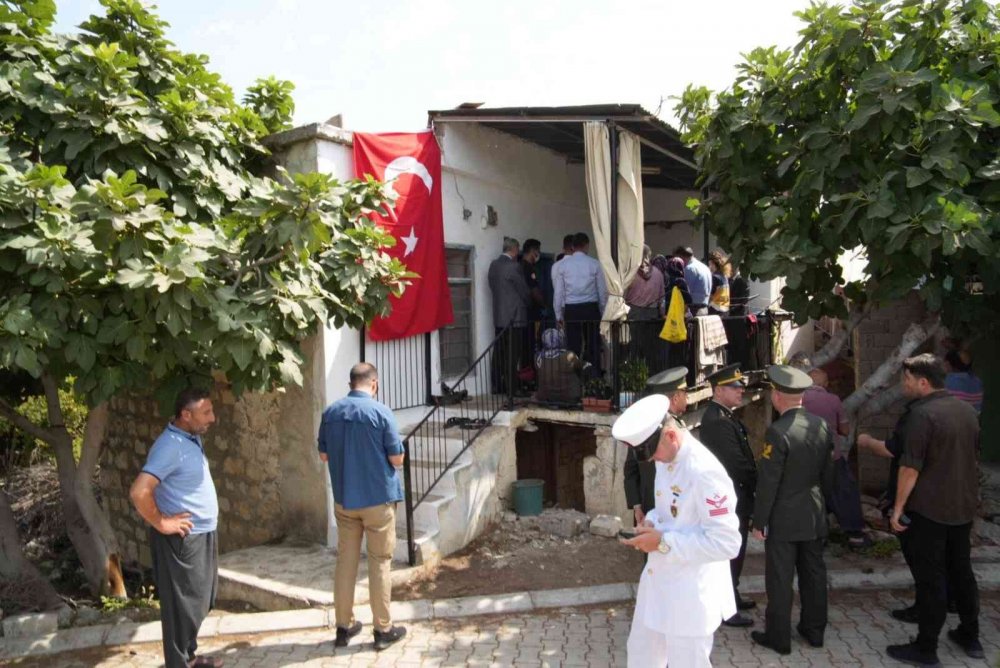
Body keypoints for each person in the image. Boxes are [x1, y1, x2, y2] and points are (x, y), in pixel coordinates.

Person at [614, 394, 741, 668]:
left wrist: (662, 543)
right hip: (659, 582)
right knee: (640, 655)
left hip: (690, 595)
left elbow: (727, 542)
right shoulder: (666, 456)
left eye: (653, 453)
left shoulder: (705, 472)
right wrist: (650, 523)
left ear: (671, 435)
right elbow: (669, 512)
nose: (652, 461)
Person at [885, 354, 983, 666]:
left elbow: (909, 468)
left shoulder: (922, 415)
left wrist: (897, 509)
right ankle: (971, 635)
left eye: (908, 380)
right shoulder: (967, 411)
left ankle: (926, 648)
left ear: (923, 382)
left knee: (932, 580)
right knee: (962, 573)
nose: (904, 385)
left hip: (929, 510)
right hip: (962, 506)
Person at [129, 388, 223, 668]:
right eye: (206, 412)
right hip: (183, 540)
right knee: (182, 606)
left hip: (201, 533)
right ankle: (178, 663)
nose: (213, 418)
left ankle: (189, 658)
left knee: (201, 600)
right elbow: (139, 491)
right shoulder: (170, 446)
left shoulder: (189, 438)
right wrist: (161, 522)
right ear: (186, 414)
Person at [318, 363, 407, 651]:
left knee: (346, 561)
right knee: (380, 562)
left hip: (345, 500)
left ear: (350, 382)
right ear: (374, 384)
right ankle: (383, 630)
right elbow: (397, 459)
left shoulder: (331, 413)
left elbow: (323, 454)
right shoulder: (381, 413)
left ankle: (343, 628)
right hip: (377, 501)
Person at [751, 365, 833, 656]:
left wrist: (759, 521)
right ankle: (814, 631)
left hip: (784, 517)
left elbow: (768, 482)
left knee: (780, 577)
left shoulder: (778, 431)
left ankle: (779, 637)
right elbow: (828, 473)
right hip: (813, 510)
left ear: (777, 395)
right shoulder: (820, 425)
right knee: (813, 573)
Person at [699, 364, 757, 627]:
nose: (740, 390)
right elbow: (735, 464)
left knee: (737, 549)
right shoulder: (717, 420)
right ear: (720, 390)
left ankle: (732, 594)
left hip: (736, 495)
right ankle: (726, 607)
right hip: (731, 496)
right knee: (730, 550)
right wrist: (758, 480)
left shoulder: (725, 415)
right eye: (735, 386)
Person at [624, 367, 689, 529]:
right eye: (684, 393)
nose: (687, 397)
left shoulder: (655, 425)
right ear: (675, 398)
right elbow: (631, 468)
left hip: (672, 506)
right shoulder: (664, 429)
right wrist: (637, 505)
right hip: (657, 506)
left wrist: (637, 505)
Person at [554, 232, 608, 372]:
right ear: (586, 246)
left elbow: (558, 293)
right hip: (590, 308)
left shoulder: (563, 266)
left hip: (571, 309)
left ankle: (574, 378)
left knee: (573, 346)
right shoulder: (594, 264)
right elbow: (602, 291)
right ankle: (594, 376)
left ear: (572, 246)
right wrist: (603, 311)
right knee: (593, 345)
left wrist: (558, 314)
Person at [488, 237, 532, 393]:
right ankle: (512, 388)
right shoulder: (514, 266)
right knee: (513, 354)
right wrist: (529, 303)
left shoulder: (493, 265)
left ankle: (496, 385)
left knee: (499, 352)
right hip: (515, 317)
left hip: (499, 316)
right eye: (517, 249)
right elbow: (524, 290)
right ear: (514, 249)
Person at [624, 245, 666, 369]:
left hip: (633, 313)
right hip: (652, 315)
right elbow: (662, 298)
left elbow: (623, 295)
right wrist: (661, 313)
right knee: (650, 348)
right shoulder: (658, 274)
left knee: (633, 347)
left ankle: (634, 374)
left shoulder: (630, 274)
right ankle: (650, 373)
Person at [534, 327, 587, 405]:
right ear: (560, 339)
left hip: (545, 397)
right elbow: (580, 368)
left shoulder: (538, 357)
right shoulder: (568, 355)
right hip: (569, 397)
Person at [673, 246, 712, 315]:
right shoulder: (704, 267)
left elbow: (686, 291)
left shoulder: (689, 269)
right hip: (705, 307)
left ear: (681, 257)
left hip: (693, 309)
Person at [707, 249, 731, 315]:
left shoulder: (714, 277)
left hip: (715, 310)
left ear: (713, 263)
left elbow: (710, 295)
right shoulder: (724, 276)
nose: (709, 267)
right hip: (725, 310)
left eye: (709, 264)